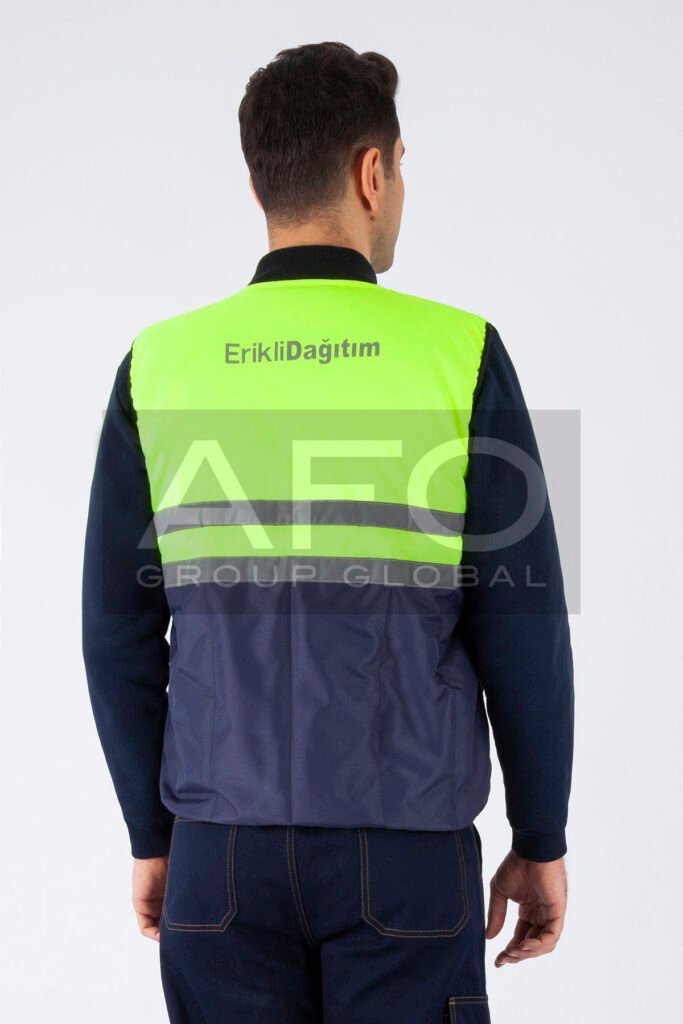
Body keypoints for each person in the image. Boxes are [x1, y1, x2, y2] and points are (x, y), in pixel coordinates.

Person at [82, 41, 574, 1024]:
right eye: (402, 168)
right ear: (371, 172)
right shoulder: (460, 351)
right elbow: (522, 627)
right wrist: (540, 836)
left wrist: (152, 831)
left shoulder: (159, 363)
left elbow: (115, 632)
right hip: (406, 849)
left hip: (219, 850)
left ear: (257, 182)